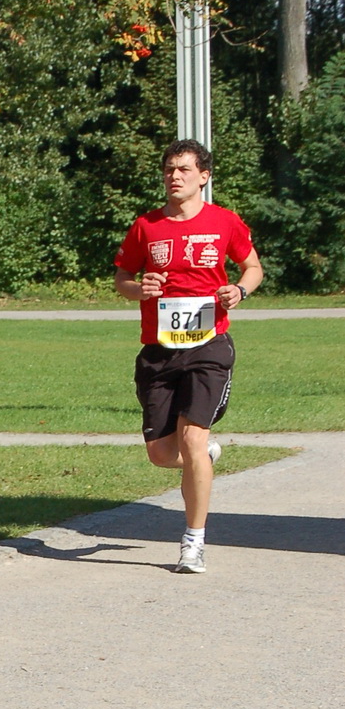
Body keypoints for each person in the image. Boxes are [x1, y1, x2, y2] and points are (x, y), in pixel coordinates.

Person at [114, 138, 262, 574]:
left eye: (182, 169)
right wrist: (137, 288)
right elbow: (123, 276)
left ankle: (193, 542)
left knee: (193, 437)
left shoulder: (224, 223)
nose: (173, 176)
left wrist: (239, 290)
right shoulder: (146, 226)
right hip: (159, 352)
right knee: (162, 454)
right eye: (168, 169)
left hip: (209, 347)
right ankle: (204, 458)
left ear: (204, 176)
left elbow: (252, 267)